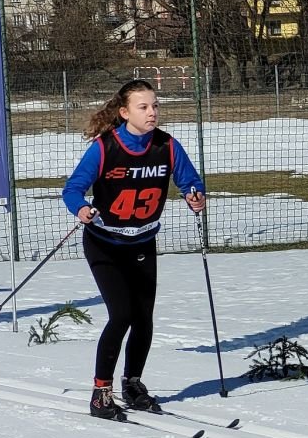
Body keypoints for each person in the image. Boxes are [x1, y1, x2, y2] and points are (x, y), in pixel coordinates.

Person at [62, 79, 207, 420]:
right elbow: (72, 189)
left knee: (143, 317)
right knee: (122, 314)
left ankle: (132, 384)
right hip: (105, 244)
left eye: (155, 105)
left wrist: (194, 195)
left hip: (142, 242)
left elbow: (190, 180)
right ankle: (101, 393)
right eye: (143, 107)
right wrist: (81, 208)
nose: (152, 112)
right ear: (125, 112)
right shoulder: (104, 148)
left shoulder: (167, 146)